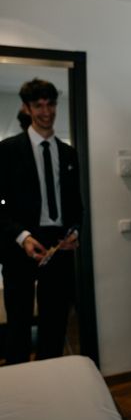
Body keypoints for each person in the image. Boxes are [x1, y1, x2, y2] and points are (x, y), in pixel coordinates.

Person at [0, 78, 82, 364]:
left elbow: (75, 205)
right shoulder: (7, 150)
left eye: (51, 104)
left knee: (55, 323)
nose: (46, 112)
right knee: (19, 323)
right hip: (20, 245)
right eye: (38, 105)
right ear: (26, 108)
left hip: (58, 247)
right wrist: (21, 236)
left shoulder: (69, 152)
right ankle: (18, 394)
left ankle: (51, 384)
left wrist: (74, 231)